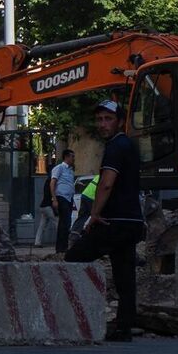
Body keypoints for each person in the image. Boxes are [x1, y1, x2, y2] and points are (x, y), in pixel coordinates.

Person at [66, 99, 143, 341]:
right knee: (124, 274)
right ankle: (124, 326)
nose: (102, 124)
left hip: (114, 222)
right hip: (132, 221)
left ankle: (80, 317)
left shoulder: (115, 147)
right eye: (99, 119)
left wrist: (95, 214)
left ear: (120, 122)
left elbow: (107, 182)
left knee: (73, 257)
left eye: (108, 119)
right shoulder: (128, 146)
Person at [49, 148, 78, 254]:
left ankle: (64, 247)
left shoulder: (70, 170)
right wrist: (54, 199)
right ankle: (60, 248)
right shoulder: (59, 168)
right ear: (66, 157)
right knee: (63, 223)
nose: (73, 159)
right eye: (72, 156)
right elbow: (52, 183)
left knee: (67, 222)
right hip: (61, 197)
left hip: (69, 198)